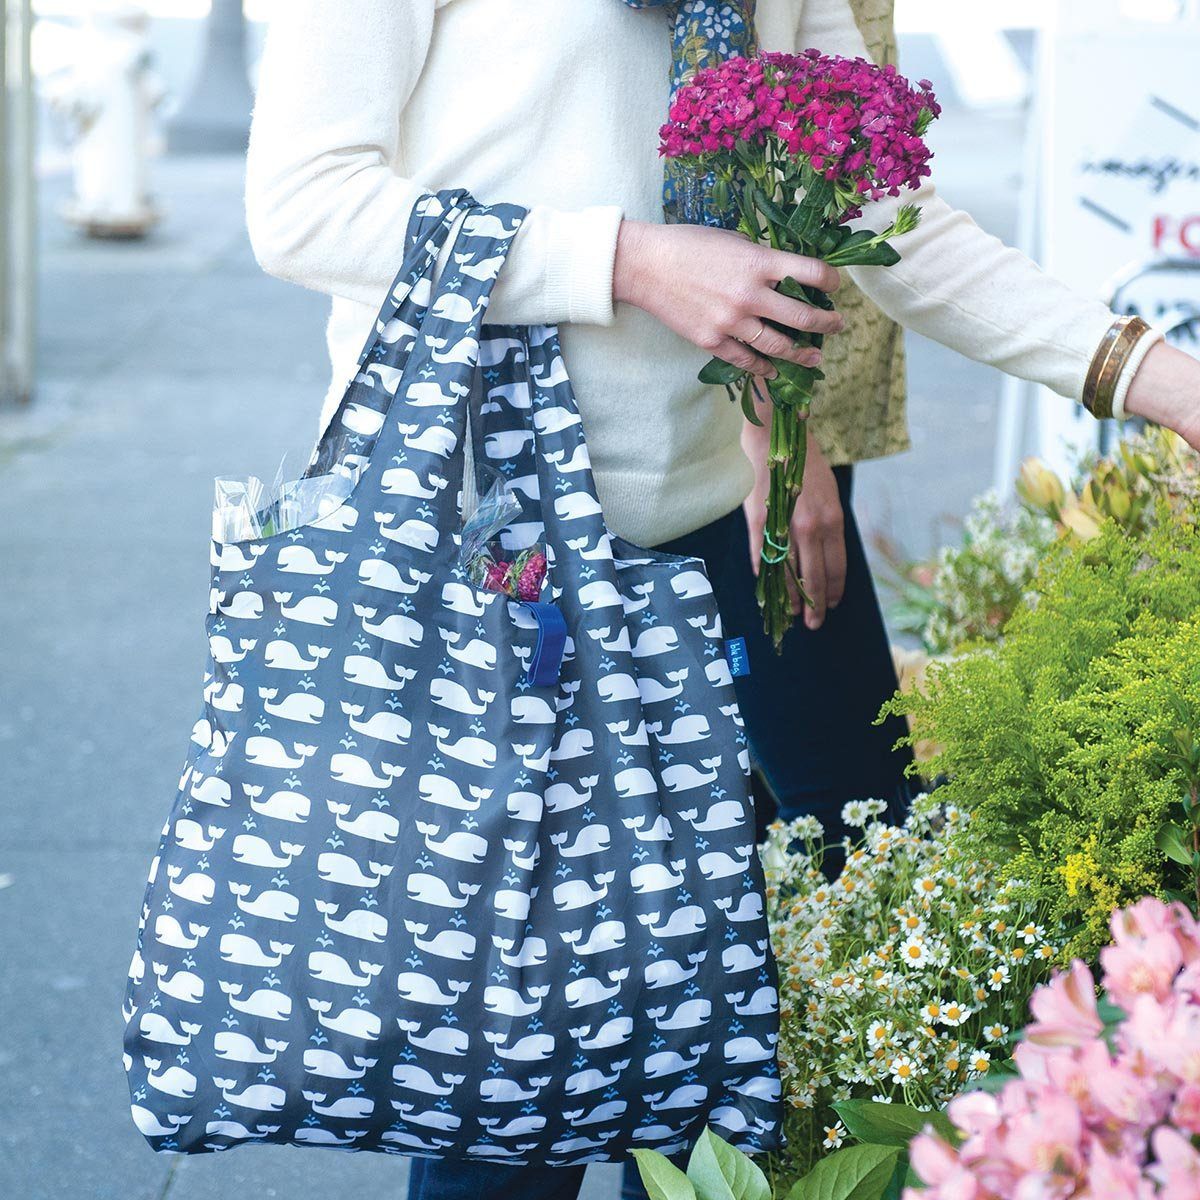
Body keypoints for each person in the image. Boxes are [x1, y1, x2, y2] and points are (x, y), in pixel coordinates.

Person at [244, 3, 1200, 1198]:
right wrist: (632, 261)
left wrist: (1165, 383)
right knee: (512, 1071)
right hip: (492, 548)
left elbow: (892, 217)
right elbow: (302, 203)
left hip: (689, 552)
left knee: (698, 1055)